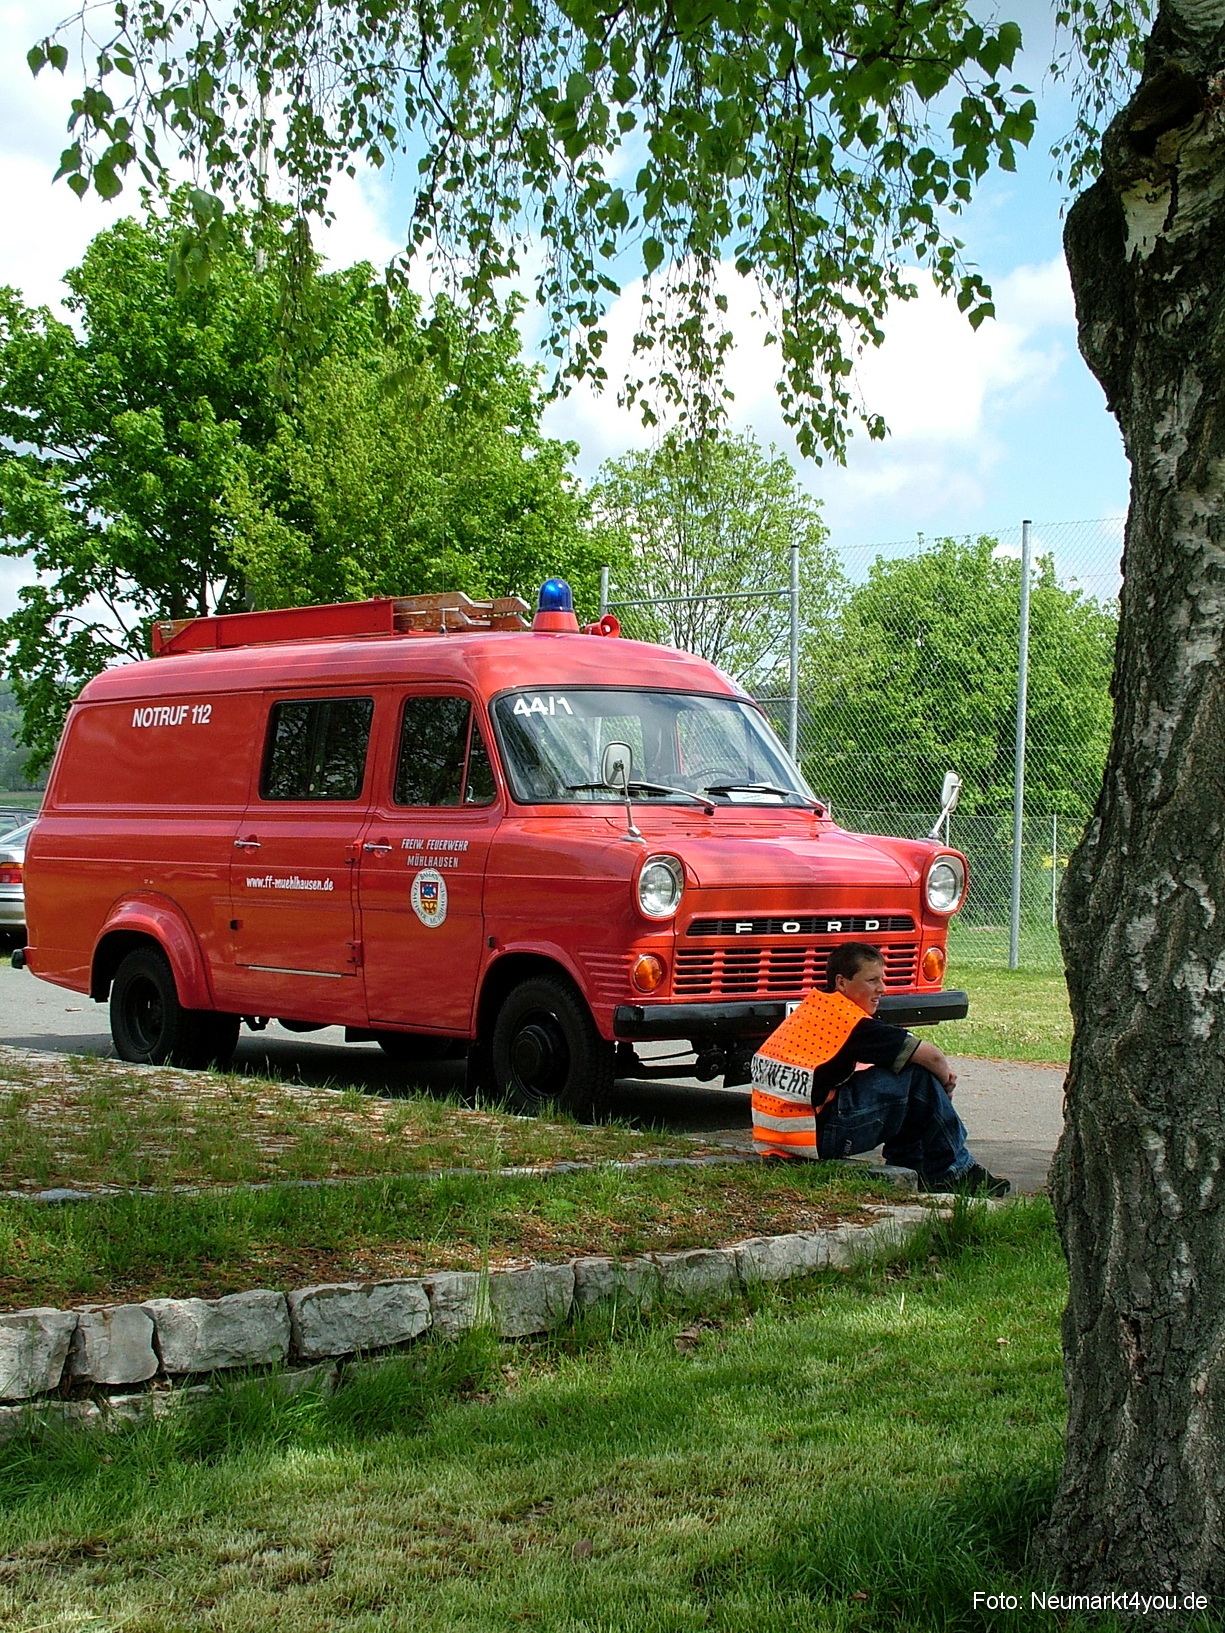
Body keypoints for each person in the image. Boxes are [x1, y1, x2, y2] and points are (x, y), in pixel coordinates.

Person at [750, 940, 1009, 1196]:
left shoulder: (813, 1009)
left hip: (779, 1136)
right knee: (916, 1076)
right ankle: (956, 1171)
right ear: (841, 982)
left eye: (881, 980)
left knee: (904, 1078)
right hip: (814, 1139)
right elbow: (932, 1058)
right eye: (872, 981)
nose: (882, 989)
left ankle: (913, 1166)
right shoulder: (851, 1023)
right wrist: (945, 1085)